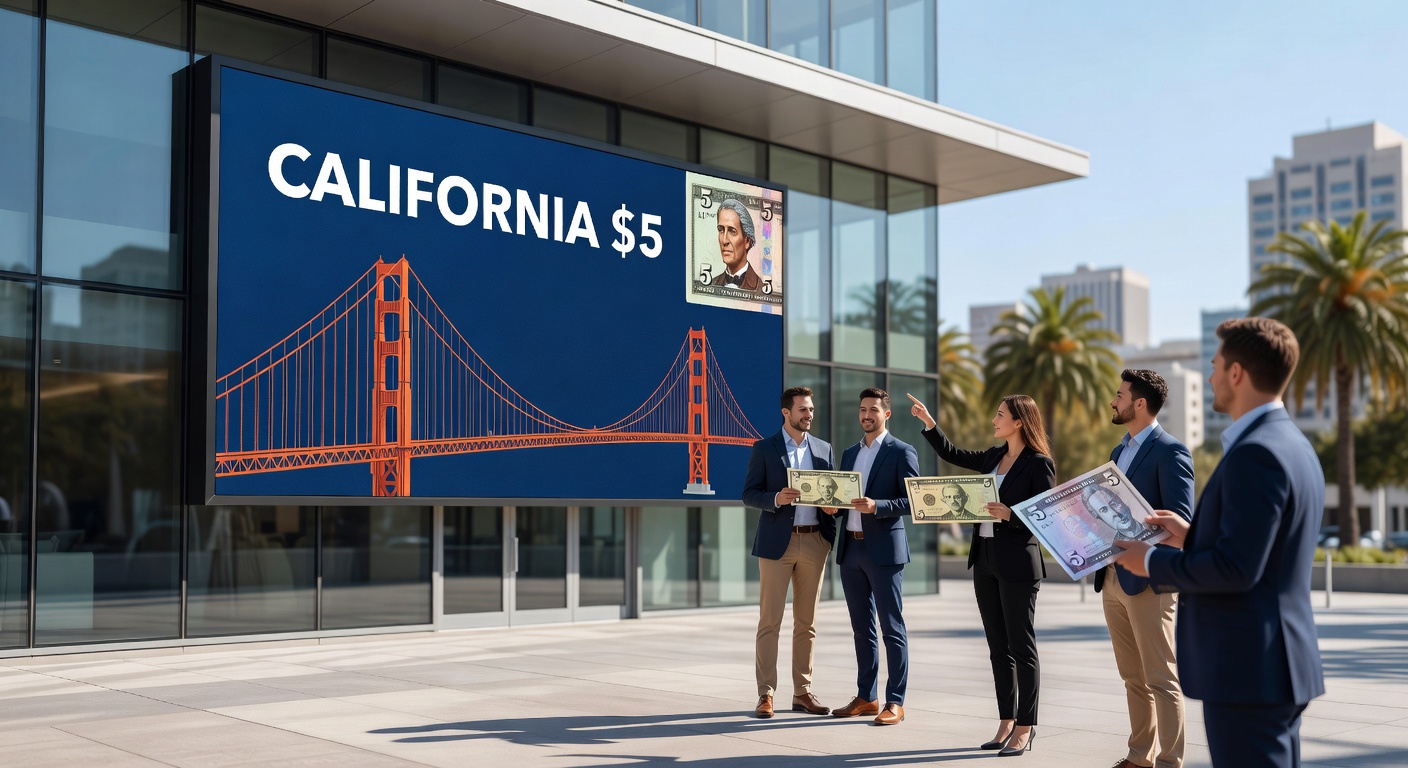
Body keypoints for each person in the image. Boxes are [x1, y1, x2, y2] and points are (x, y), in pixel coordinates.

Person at [1113, 318, 1325, 768]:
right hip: (1274, 666)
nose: (1210, 376)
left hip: (1249, 668)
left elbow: (1236, 569)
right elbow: (1262, 549)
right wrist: (1193, 536)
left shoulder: (1256, 453)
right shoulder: (1291, 443)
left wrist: (1150, 559)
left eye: (1215, 365)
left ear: (1236, 373)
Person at [909, 391, 1055, 757]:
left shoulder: (1039, 464)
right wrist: (930, 424)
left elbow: (1047, 517)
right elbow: (952, 453)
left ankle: (1026, 725)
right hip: (985, 559)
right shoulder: (993, 457)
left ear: (1018, 421)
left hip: (1019, 563)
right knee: (997, 647)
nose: (994, 419)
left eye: (1000, 414)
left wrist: (1010, 515)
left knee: (1022, 646)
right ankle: (1006, 719)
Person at [1097, 369, 1196, 768]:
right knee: (1132, 677)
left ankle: (1171, 762)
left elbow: (1181, 521)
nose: (1113, 401)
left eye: (1119, 395)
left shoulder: (1171, 451)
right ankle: (1140, 756)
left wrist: (1145, 546)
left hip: (1151, 582)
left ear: (1139, 403)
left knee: (1160, 678)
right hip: (1111, 577)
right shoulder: (1118, 453)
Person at [741, 385, 838, 719]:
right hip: (775, 545)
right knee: (770, 621)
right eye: (802, 410)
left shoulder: (824, 449)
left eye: (810, 409)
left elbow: (833, 493)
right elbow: (749, 494)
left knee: (806, 623)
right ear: (786, 413)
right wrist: (775, 499)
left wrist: (832, 509)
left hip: (814, 542)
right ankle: (765, 694)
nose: (808, 415)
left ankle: (803, 693)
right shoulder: (764, 448)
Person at [831, 388, 920, 726]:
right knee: (861, 628)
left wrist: (878, 506)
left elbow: (913, 500)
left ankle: (895, 701)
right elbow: (841, 498)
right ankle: (867, 696)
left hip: (884, 550)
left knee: (891, 627)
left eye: (873, 410)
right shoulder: (849, 453)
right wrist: (833, 508)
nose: (867, 415)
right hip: (851, 549)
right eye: (862, 409)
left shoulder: (902, 452)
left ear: (887, 414)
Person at [710, 199, 763, 291]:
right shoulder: (712, 283)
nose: (724, 240)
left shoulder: (760, 288)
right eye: (721, 230)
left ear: (747, 241)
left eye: (732, 231)